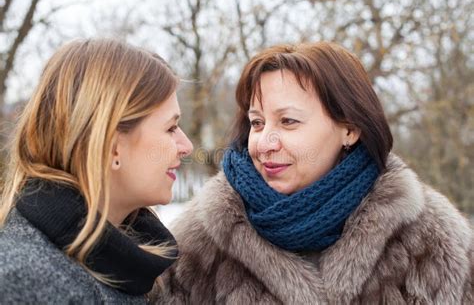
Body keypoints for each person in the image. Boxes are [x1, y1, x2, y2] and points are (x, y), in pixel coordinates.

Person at [158, 42, 473, 304]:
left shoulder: (436, 243)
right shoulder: (196, 246)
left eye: (289, 122)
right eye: (257, 123)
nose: (265, 143)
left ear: (350, 129)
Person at [0, 39, 193, 303]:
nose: (187, 146)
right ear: (112, 146)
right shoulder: (25, 283)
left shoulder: (128, 269)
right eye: (170, 128)